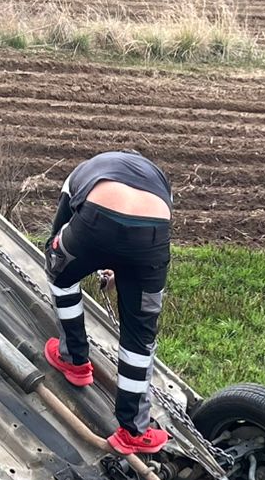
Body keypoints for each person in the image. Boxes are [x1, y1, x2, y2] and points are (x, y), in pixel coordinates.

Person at [42, 150, 173, 455]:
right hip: (152, 235)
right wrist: (120, 266)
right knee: (140, 335)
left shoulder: (81, 173)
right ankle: (134, 431)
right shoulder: (160, 182)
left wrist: (78, 255)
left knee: (60, 275)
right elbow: (145, 227)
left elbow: (58, 239)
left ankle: (74, 360)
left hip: (97, 220)